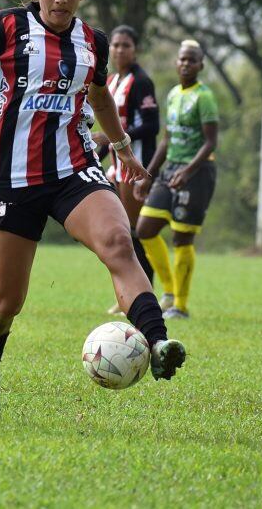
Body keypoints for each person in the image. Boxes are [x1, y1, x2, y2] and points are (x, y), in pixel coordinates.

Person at [0, 0, 186, 420]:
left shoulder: (94, 41)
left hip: (75, 167)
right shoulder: (8, 26)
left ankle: (159, 342)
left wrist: (124, 148)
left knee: (117, 242)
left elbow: (99, 96)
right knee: (6, 304)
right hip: (13, 179)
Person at [133, 40, 219, 320]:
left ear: (200, 66)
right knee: (145, 228)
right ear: (176, 62)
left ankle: (180, 305)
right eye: (182, 59)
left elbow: (210, 142)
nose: (185, 64)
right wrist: (148, 175)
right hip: (171, 169)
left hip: (198, 173)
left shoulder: (204, 97)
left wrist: (188, 171)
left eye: (192, 60)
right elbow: (166, 141)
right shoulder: (172, 95)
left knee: (182, 237)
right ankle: (168, 292)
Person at [93, 25, 160, 314]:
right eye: (116, 45)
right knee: (123, 230)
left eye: (126, 45)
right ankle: (134, 294)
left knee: (135, 232)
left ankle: (146, 293)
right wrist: (102, 148)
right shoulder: (112, 80)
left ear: (135, 49)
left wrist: (113, 139)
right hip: (116, 167)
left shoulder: (141, 82)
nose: (120, 50)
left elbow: (151, 125)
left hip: (136, 166)